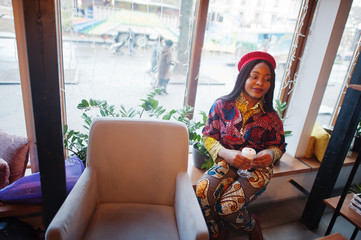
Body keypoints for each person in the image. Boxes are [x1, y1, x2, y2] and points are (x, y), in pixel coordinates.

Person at [195, 51, 286, 240]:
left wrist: (270, 153)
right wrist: (225, 153)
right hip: (227, 163)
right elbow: (208, 135)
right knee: (203, 191)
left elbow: (279, 146)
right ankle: (216, 233)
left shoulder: (272, 116)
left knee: (227, 209)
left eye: (267, 79)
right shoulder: (222, 105)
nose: (260, 83)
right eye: (254, 76)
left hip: (257, 169)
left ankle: (251, 226)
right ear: (243, 77)